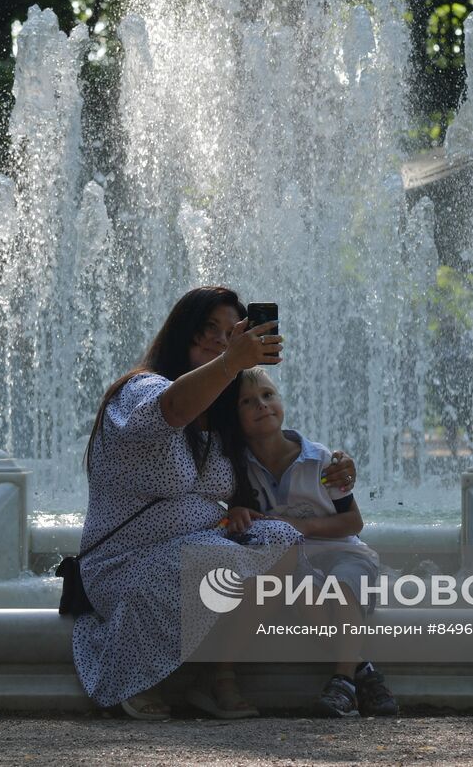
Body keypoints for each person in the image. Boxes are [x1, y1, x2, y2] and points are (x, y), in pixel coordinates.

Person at [71, 286, 356, 720]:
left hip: (195, 551)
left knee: (278, 537)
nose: (217, 339)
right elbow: (171, 409)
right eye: (207, 328)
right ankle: (136, 675)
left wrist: (336, 463)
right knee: (210, 555)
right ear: (181, 331)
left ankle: (217, 675)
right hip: (124, 565)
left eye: (230, 333)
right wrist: (230, 363)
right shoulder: (141, 389)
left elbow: (271, 444)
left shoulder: (218, 415)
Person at [217, 367, 399, 718]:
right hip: (298, 563)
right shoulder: (239, 469)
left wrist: (299, 524)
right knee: (308, 599)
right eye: (248, 402)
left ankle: (343, 680)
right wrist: (237, 510)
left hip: (344, 551)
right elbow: (237, 516)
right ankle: (364, 672)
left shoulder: (322, 461)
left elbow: (353, 522)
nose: (262, 405)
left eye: (268, 396)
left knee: (343, 589)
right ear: (234, 416)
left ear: (281, 402)